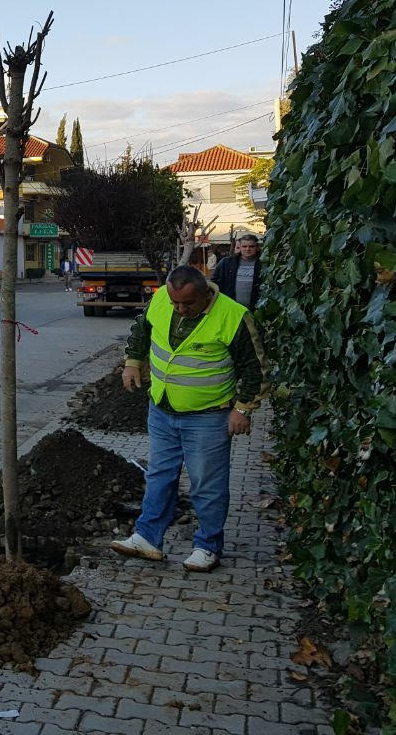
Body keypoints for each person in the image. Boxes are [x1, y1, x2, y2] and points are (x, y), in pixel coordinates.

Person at [110, 265, 268, 573]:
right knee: (158, 475)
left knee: (206, 485)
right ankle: (147, 537)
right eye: (175, 303)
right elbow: (142, 330)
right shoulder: (160, 300)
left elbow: (256, 368)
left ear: (206, 292)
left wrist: (243, 408)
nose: (181, 309)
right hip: (162, 408)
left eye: (188, 303)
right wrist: (132, 362)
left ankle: (207, 546)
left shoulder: (234, 316)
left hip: (208, 417)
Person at [210, 234, 263, 309]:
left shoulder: (263, 264)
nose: (248, 249)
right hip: (231, 308)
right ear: (240, 247)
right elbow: (214, 283)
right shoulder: (226, 263)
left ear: (257, 247)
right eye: (244, 246)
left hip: (257, 309)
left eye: (251, 246)